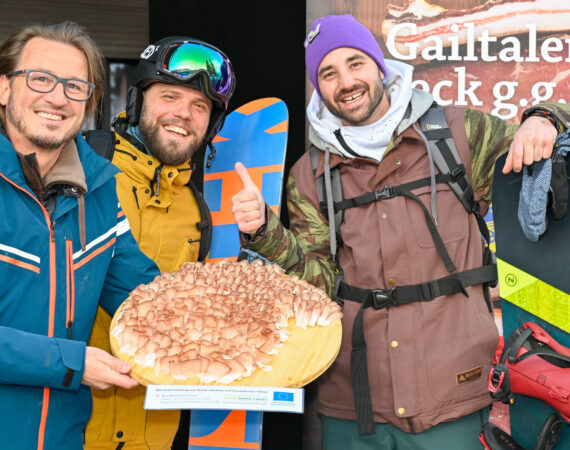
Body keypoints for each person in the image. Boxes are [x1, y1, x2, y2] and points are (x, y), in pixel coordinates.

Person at [231, 14, 570, 450]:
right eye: (328, 73)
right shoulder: (309, 173)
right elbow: (315, 286)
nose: (346, 81)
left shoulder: (457, 132)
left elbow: (545, 139)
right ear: (318, 87)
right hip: (354, 406)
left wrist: (544, 118)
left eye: (355, 63)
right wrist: (263, 232)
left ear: (379, 65)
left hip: (453, 395)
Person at [0, 21, 159, 450]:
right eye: (40, 79)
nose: (57, 97)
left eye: (75, 86)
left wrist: (242, 306)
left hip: (62, 439)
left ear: (89, 102)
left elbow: (149, 298)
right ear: (3, 88)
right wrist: (71, 362)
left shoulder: (100, 190)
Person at [84, 36, 235, 450]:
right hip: (69, 428)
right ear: (137, 101)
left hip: (151, 436)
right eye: (169, 95)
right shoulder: (80, 170)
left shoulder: (197, 212)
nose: (183, 114)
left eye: (200, 106)